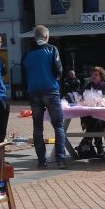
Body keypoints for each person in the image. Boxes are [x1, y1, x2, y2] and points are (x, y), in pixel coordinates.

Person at [22, 25, 67, 169]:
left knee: (38, 127)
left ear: (35, 37)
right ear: (46, 37)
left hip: (34, 92)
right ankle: (60, 159)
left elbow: (24, 75)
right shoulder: (52, 49)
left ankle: (42, 160)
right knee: (59, 126)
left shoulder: (27, 54)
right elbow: (58, 70)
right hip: (51, 90)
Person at [80, 66, 105, 157]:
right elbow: (81, 97)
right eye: (92, 74)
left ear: (101, 76)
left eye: (96, 74)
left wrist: (101, 100)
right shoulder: (87, 86)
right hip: (89, 115)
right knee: (95, 120)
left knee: (97, 120)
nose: (93, 76)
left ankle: (87, 141)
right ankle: (99, 146)